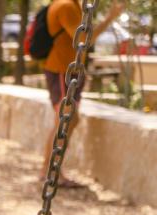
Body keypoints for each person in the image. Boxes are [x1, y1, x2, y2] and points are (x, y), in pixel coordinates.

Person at [40, 0, 125, 186]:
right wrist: (109, 18)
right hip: (62, 70)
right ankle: (50, 171)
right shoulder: (65, 6)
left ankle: (50, 169)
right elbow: (84, 40)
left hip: (71, 71)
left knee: (70, 119)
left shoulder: (73, 5)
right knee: (65, 119)